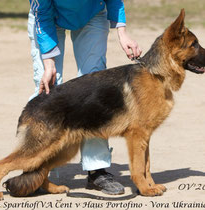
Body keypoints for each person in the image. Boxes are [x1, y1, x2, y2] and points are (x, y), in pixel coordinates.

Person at [28, 0, 142, 195]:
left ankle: (96, 169)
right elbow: (42, 14)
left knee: (96, 91)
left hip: (92, 13)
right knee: (47, 87)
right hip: (47, 18)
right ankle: (36, 169)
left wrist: (122, 33)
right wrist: (49, 64)